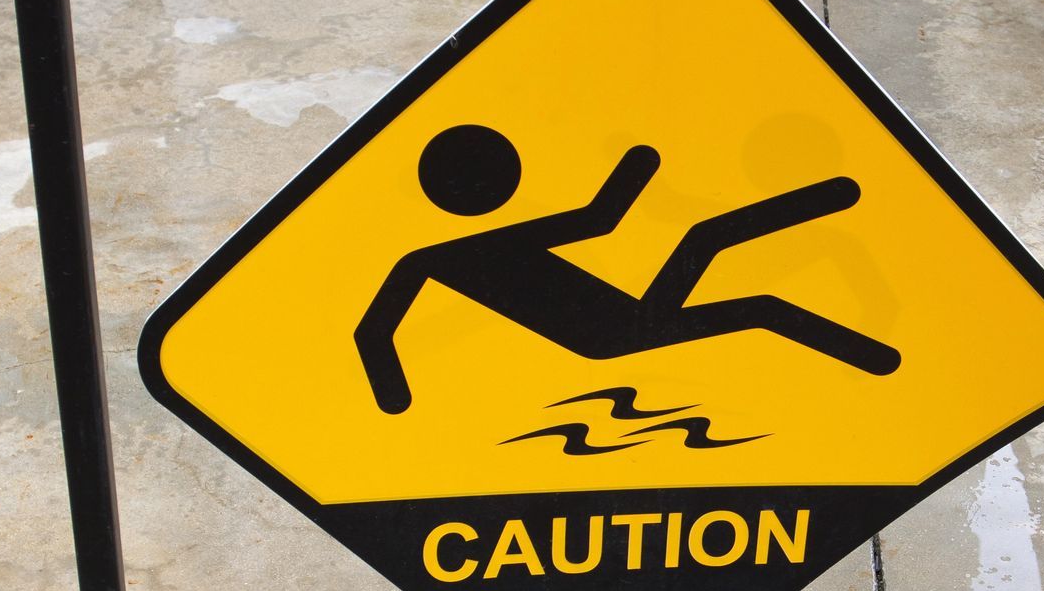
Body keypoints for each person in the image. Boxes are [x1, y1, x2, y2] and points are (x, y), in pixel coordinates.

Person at [355, 124, 900, 414]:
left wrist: (639, 162)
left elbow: (599, 219)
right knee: (736, 276)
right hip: (618, 330)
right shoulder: (447, 255)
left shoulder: (439, 255)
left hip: (621, 316)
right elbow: (601, 218)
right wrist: (394, 398)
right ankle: (879, 358)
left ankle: (835, 200)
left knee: (740, 281)